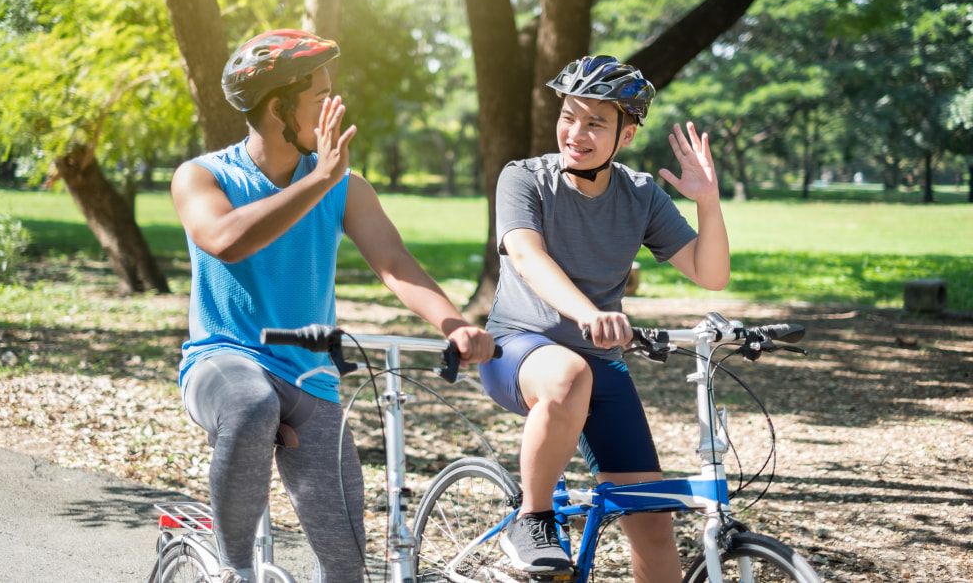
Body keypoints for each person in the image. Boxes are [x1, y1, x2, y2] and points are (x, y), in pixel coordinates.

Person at [170, 29, 496, 583]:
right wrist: (320, 178)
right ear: (279, 107)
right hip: (222, 363)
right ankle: (234, 571)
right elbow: (226, 239)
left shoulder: (346, 188)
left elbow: (394, 262)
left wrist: (455, 324)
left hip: (311, 380)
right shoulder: (203, 176)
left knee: (347, 568)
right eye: (321, 95)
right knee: (250, 406)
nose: (335, 105)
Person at [480, 55, 730, 583]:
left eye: (596, 122)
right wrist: (591, 313)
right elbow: (527, 257)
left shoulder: (639, 195)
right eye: (570, 115)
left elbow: (710, 275)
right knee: (569, 376)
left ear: (628, 134)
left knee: (653, 521)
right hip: (517, 349)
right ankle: (533, 517)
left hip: (598, 364)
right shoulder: (523, 178)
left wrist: (708, 202)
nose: (577, 132)